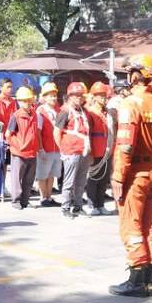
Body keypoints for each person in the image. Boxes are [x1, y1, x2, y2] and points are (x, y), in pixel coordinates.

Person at [108, 54, 152, 298]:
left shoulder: (131, 104)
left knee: (131, 225)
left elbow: (125, 145)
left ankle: (136, 280)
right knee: (150, 226)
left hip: (135, 174)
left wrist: (118, 177)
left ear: (136, 74)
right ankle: (148, 279)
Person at [55, 82, 92, 218]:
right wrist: (62, 149)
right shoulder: (65, 112)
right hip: (70, 151)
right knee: (69, 181)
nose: (79, 98)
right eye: (76, 95)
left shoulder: (83, 111)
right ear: (70, 96)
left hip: (83, 151)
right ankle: (65, 207)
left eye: (81, 95)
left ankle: (77, 206)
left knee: (81, 181)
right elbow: (56, 132)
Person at [5, 86, 39, 210]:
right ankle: (16, 201)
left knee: (29, 179)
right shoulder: (16, 116)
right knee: (17, 179)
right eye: (24, 100)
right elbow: (8, 134)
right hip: (19, 152)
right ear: (19, 102)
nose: (27, 103)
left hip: (32, 152)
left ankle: (25, 200)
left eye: (29, 100)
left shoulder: (34, 114)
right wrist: (17, 146)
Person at [84, 82, 112, 216]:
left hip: (106, 149)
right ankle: (91, 204)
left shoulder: (107, 112)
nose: (103, 98)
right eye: (100, 95)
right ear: (94, 96)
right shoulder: (89, 112)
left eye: (104, 95)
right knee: (94, 178)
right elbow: (87, 133)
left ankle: (100, 204)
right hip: (96, 148)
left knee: (104, 178)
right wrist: (89, 151)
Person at [35, 83, 62, 207]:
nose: (54, 98)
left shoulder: (59, 110)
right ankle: (43, 197)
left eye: (55, 95)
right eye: (51, 96)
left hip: (57, 148)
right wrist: (40, 148)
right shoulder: (40, 111)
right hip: (45, 147)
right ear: (44, 97)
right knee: (43, 174)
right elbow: (38, 132)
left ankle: (49, 196)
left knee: (52, 174)